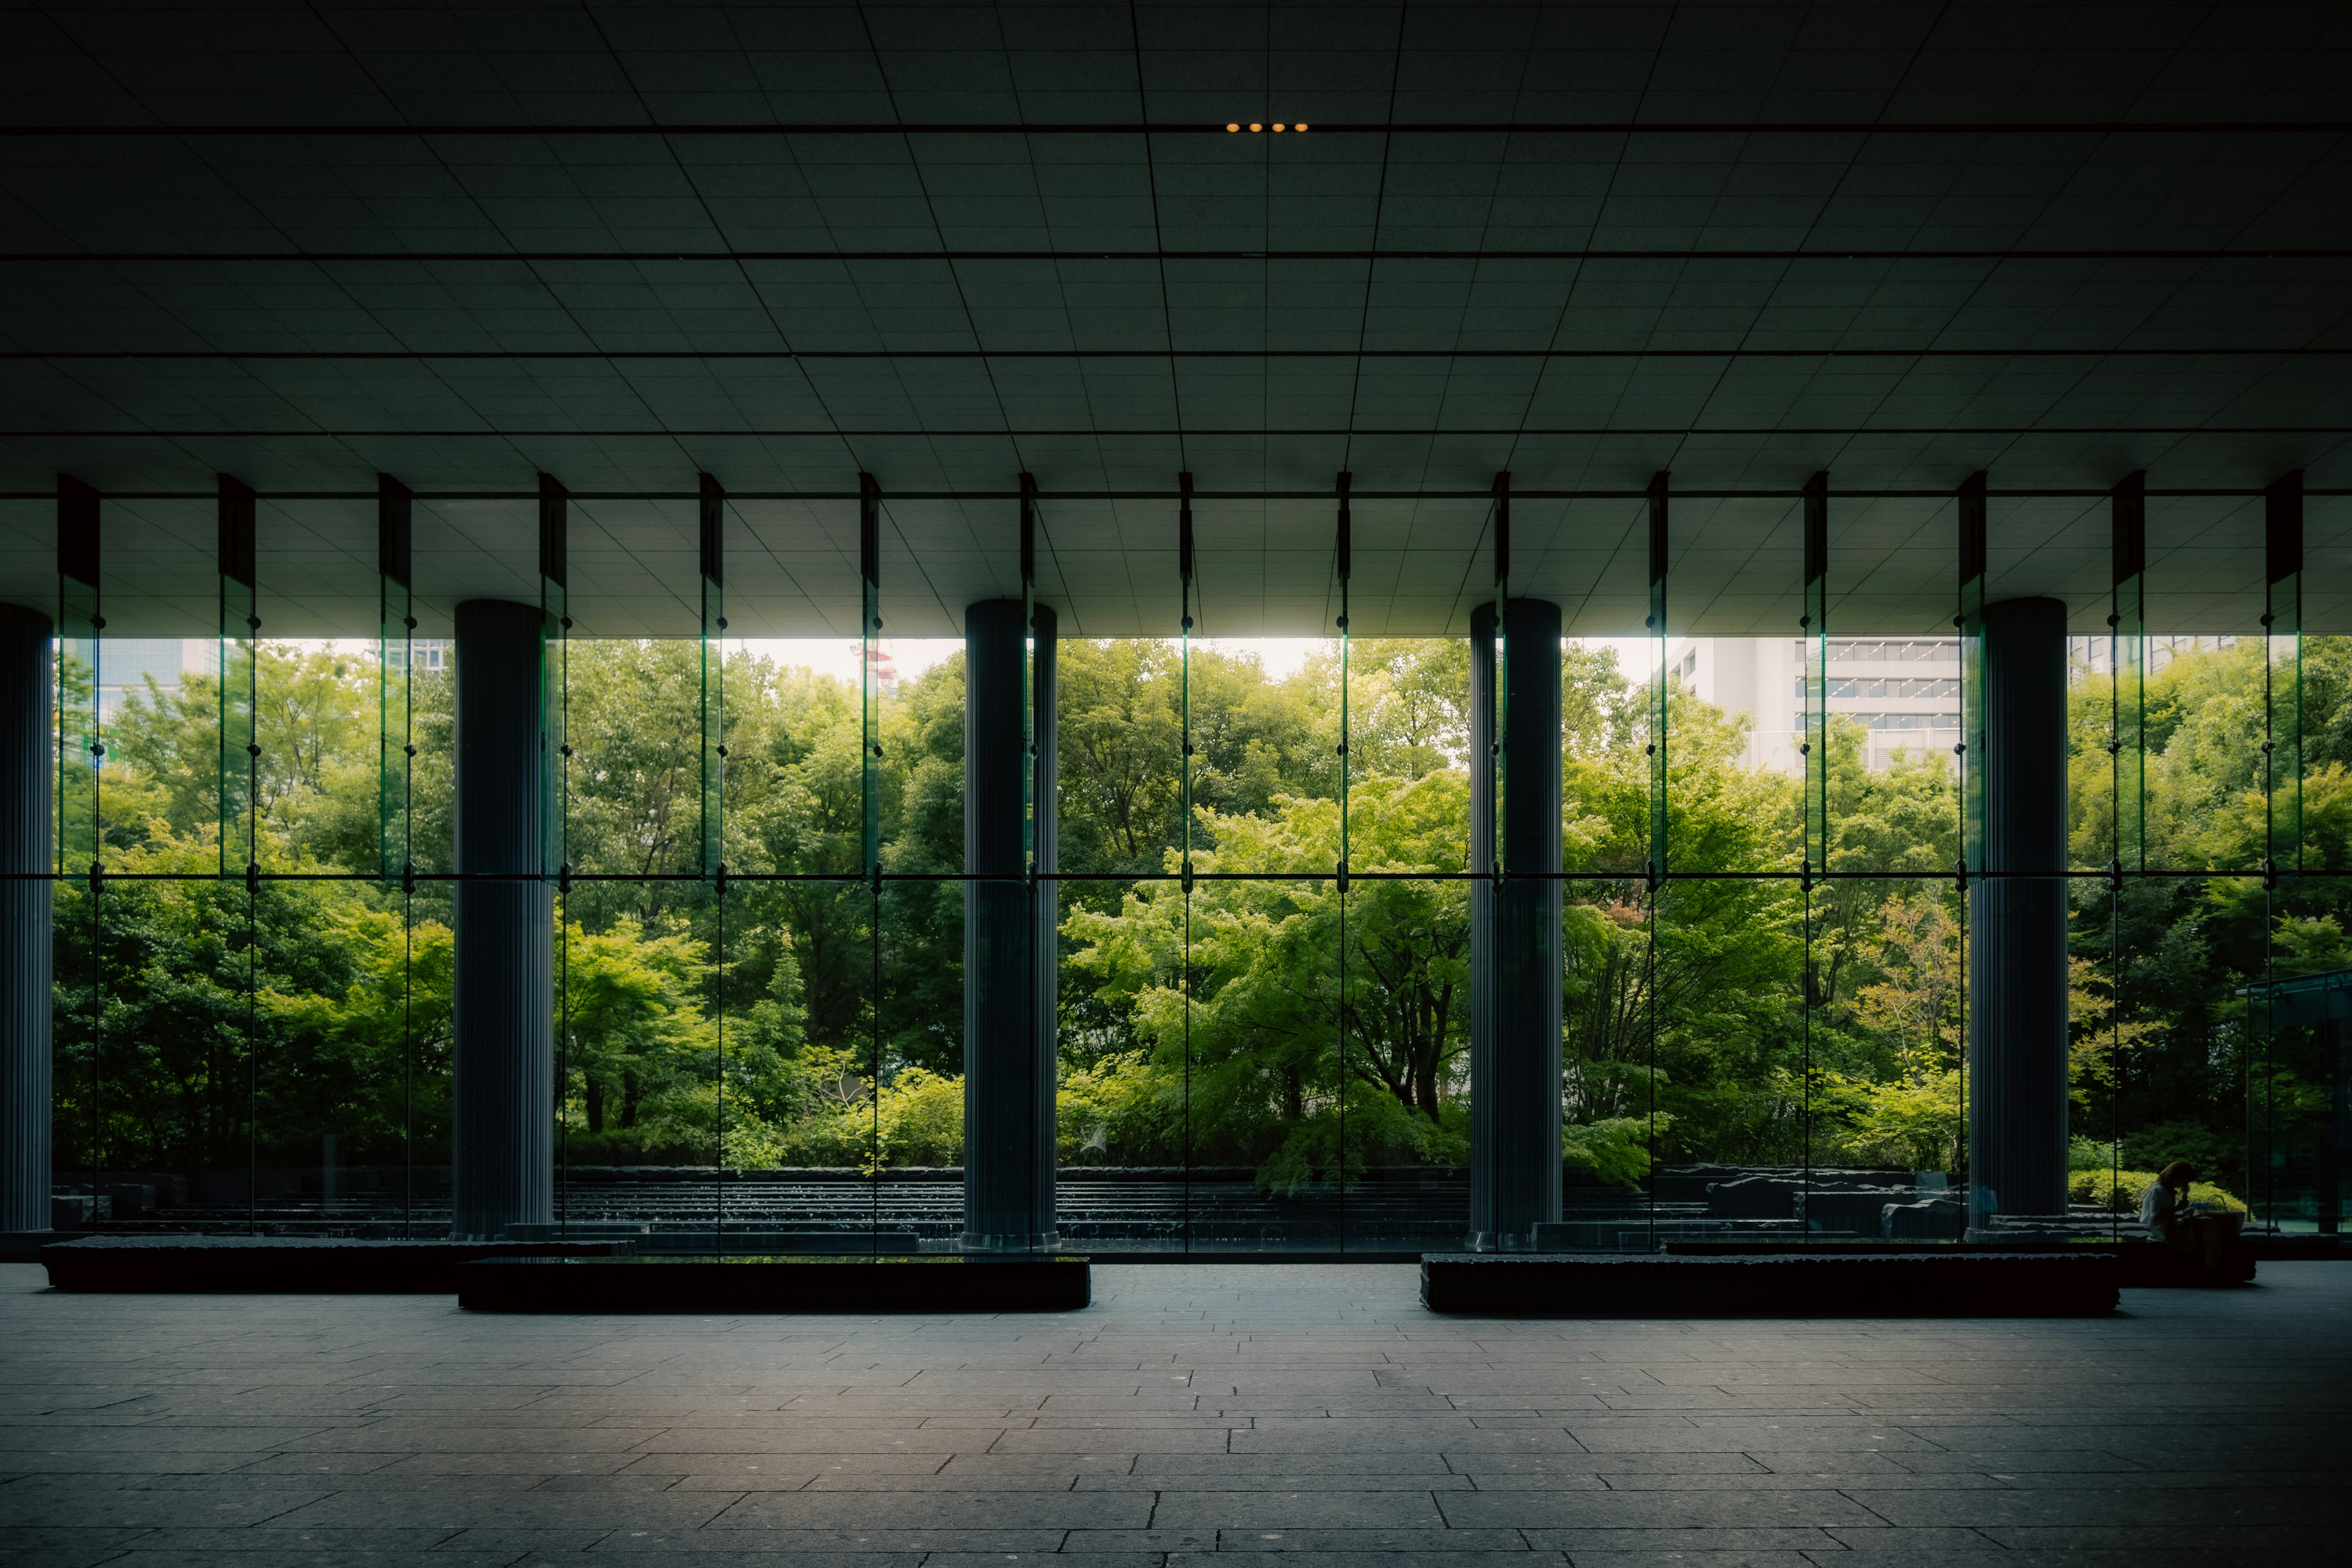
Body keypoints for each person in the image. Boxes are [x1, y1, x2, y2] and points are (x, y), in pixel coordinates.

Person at [2138, 1161, 2234, 1271]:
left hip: (2165, 1228)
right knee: (2207, 1223)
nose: (2182, 1185)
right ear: (2175, 1177)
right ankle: (2211, 1264)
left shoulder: (2160, 1189)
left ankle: (2211, 1263)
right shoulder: (2159, 1191)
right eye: (2183, 1181)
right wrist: (2178, 1208)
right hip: (2166, 1231)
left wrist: (2183, 1215)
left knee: (2204, 1222)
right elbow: (2155, 1217)